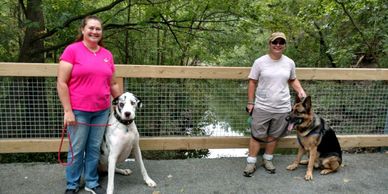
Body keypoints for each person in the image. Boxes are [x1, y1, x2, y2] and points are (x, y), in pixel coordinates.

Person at [57, 15, 121, 194]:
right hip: (78, 111)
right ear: (83, 30)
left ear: (101, 32)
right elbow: (62, 82)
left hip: (101, 111)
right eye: (91, 28)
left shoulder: (107, 54)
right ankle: (72, 184)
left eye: (98, 29)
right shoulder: (72, 50)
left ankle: (91, 182)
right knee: (76, 150)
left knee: (94, 148)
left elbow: (113, 84)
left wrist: (122, 105)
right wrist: (67, 111)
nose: (94, 32)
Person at [243, 32, 306, 177]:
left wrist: (301, 90)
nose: (278, 45)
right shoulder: (260, 62)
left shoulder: (289, 63)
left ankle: (268, 160)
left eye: (281, 42)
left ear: (284, 45)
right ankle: (251, 163)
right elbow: (252, 81)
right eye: (275, 42)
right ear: (269, 44)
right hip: (262, 106)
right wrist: (250, 102)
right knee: (256, 135)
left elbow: (292, 80)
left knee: (274, 135)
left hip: (282, 107)